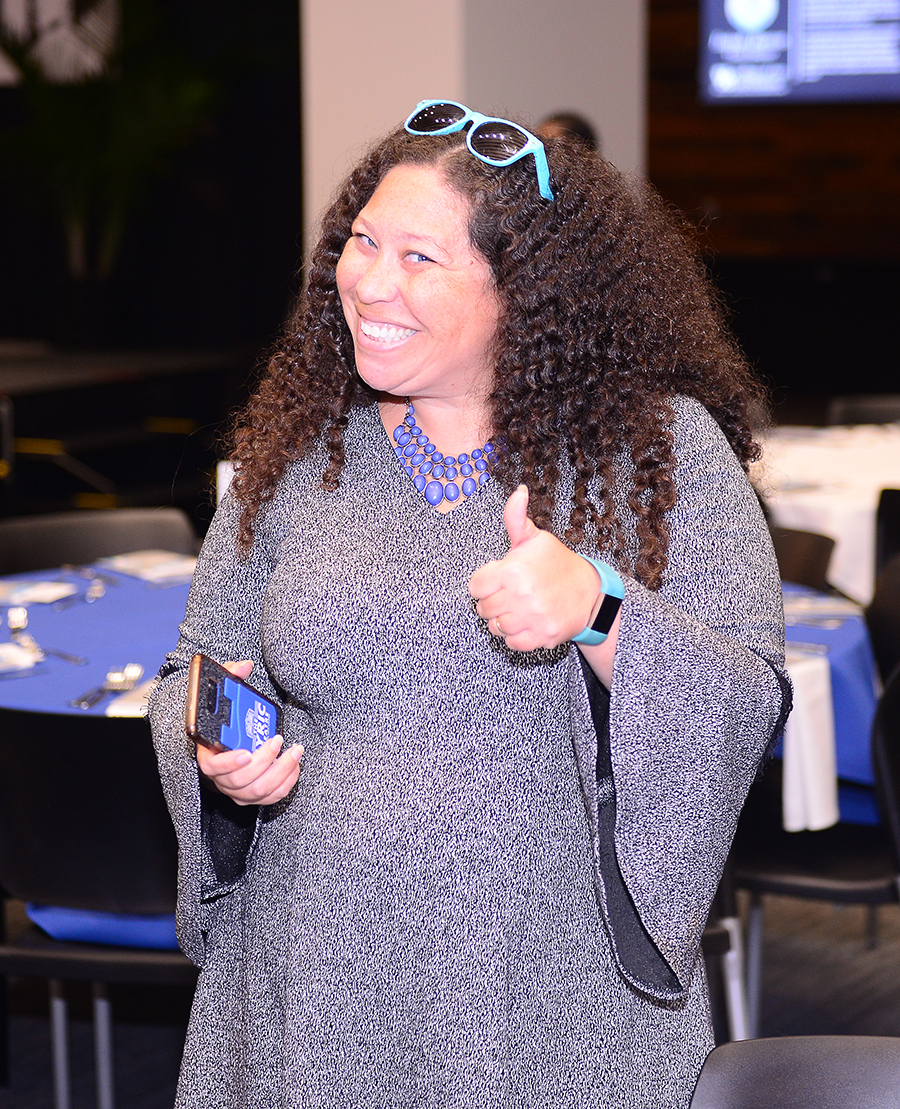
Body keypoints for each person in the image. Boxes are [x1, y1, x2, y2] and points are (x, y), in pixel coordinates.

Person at [149, 98, 789, 1109]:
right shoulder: (299, 450)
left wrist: (600, 606)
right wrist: (218, 751)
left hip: (548, 988)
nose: (370, 282)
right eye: (363, 242)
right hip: (311, 973)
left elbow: (747, 697)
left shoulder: (657, 452)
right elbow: (192, 665)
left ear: (525, 293)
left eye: (420, 257)